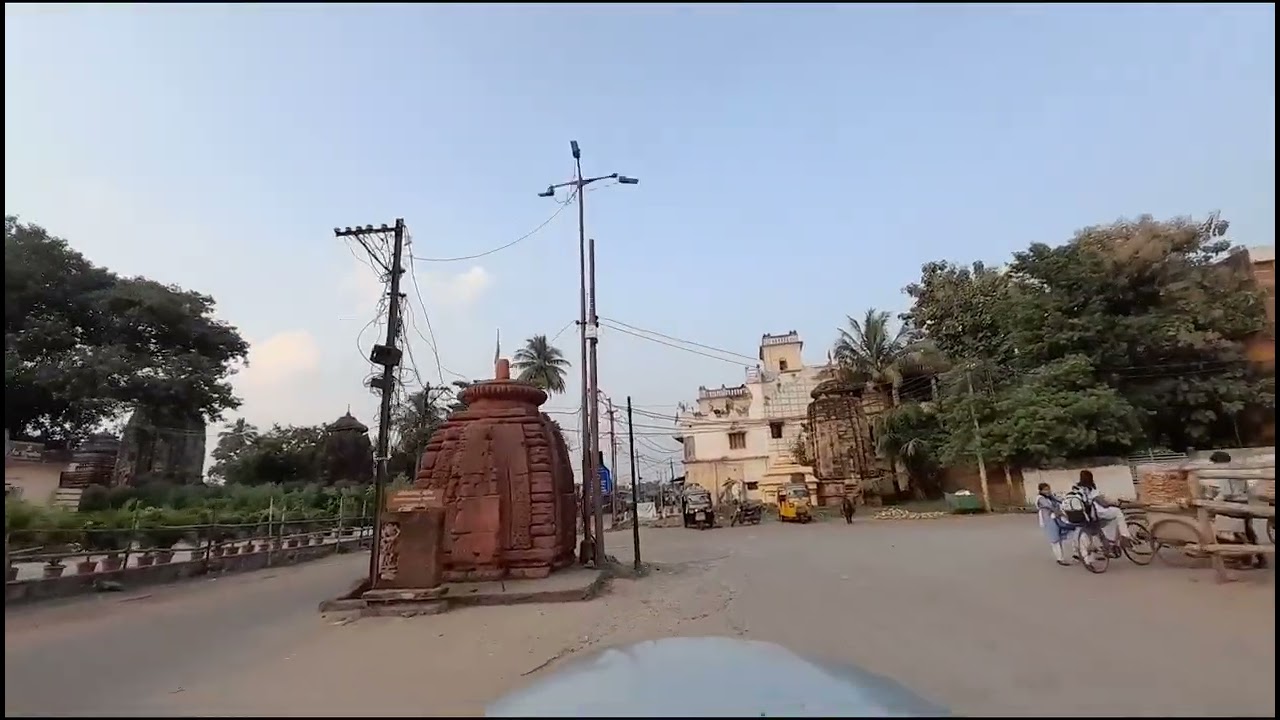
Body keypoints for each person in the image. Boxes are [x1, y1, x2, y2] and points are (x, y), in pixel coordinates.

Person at [1209, 451, 1267, 570]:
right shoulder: (1237, 469)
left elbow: (1227, 493)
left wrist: (1213, 500)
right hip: (1244, 502)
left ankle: (1245, 560)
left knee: (1236, 532)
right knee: (1248, 531)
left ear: (1217, 462)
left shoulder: (1223, 472)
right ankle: (1260, 558)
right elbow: (1247, 488)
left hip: (1234, 504)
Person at [1063, 470, 1133, 546]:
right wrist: (1113, 503)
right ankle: (1125, 536)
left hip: (1084, 513)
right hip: (1097, 512)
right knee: (1117, 512)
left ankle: (1107, 544)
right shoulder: (1091, 488)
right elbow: (1103, 503)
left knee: (1106, 523)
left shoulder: (1077, 488)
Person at [1035, 483, 1074, 566]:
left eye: (1048, 489)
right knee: (1054, 539)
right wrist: (1060, 513)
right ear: (1041, 490)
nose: (1048, 491)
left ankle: (1061, 557)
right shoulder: (1040, 498)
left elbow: (1059, 500)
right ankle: (1060, 558)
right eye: (1045, 489)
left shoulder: (1050, 497)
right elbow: (1049, 506)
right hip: (1048, 519)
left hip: (1055, 519)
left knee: (1059, 537)